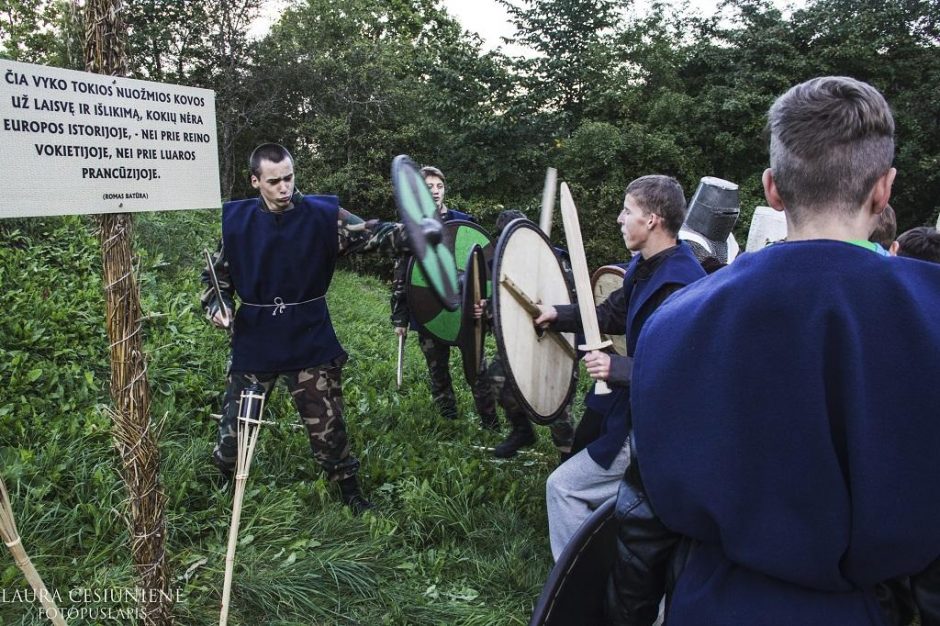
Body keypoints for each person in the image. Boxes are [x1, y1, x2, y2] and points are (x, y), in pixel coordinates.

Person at [608, 77, 940, 625]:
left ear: (772, 189)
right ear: (884, 189)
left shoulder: (678, 319)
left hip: (710, 603)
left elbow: (645, 518)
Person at [201, 143, 409, 514]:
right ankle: (221, 482)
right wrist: (218, 306)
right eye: (274, 181)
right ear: (255, 181)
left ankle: (349, 491)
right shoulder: (236, 223)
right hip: (256, 337)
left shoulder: (322, 216)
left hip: (308, 333)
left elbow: (372, 233)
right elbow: (216, 278)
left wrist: (416, 233)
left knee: (328, 421)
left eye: (289, 178)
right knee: (237, 422)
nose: (284, 187)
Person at [531, 175, 706, 561]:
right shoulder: (646, 267)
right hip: (633, 411)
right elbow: (609, 314)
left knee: (565, 488)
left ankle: (576, 586)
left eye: (627, 211)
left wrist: (616, 369)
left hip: (656, 428)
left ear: (653, 220)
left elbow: (684, 372)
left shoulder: (680, 285)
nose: (619, 219)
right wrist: (555, 314)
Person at [389, 166, 497, 427]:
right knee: (438, 370)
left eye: (439, 187)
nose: (435, 192)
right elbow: (402, 277)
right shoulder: (411, 229)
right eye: (429, 188)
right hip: (428, 309)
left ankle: (490, 422)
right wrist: (399, 319)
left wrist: (489, 307)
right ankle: (449, 421)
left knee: (478, 368)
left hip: (467, 309)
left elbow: (486, 269)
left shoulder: (463, 221)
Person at [473, 209, 575, 459]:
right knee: (496, 375)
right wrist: (485, 309)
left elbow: (571, 303)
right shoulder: (504, 267)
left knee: (556, 406)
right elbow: (504, 311)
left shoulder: (555, 260)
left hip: (556, 341)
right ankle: (521, 429)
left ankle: (567, 455)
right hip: (520, 342)